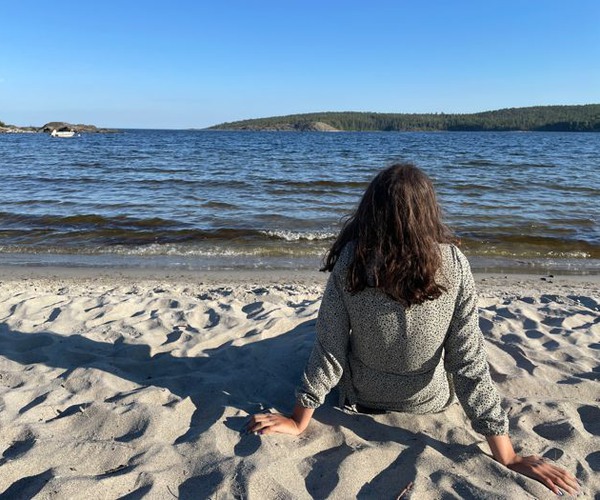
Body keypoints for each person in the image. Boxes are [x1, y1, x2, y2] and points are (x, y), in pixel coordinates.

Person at [245, 164, 579, 496]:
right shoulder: (453, 262)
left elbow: (329, 350)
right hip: (429, 401)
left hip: (361, 397)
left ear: (370, 210)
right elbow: (468, 364)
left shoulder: (351, 261)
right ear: (429, 212)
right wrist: (507, 455)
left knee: (320, 335)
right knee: (465, 347)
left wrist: (299, 419)